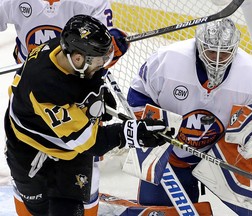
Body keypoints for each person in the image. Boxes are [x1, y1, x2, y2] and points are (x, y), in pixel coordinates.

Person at [4, 14, 171, 216]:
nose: (102, 64)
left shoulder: (63, 48)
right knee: (38, 212)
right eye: (98, 60)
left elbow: (90, 73)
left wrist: (100, 88)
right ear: (77, 59)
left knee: (70, 210)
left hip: (70, 148)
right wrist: (130, 133)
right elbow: (91, 142)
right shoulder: (46, 87)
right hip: (29, 152)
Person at [126, 18, 252, 212]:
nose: (217, 59)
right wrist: (152, 130)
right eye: (212, 52)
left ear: (235, 49)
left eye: (225, 53)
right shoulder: (167, 60)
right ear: (199, 45)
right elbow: (137, 95)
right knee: (158, 211)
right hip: (169, 156)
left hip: (225, 159)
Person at [0, 0, 113, 63]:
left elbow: (104, 53)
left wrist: (112, 49)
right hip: (26, 76)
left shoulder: (92, 3)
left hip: (76, 81)